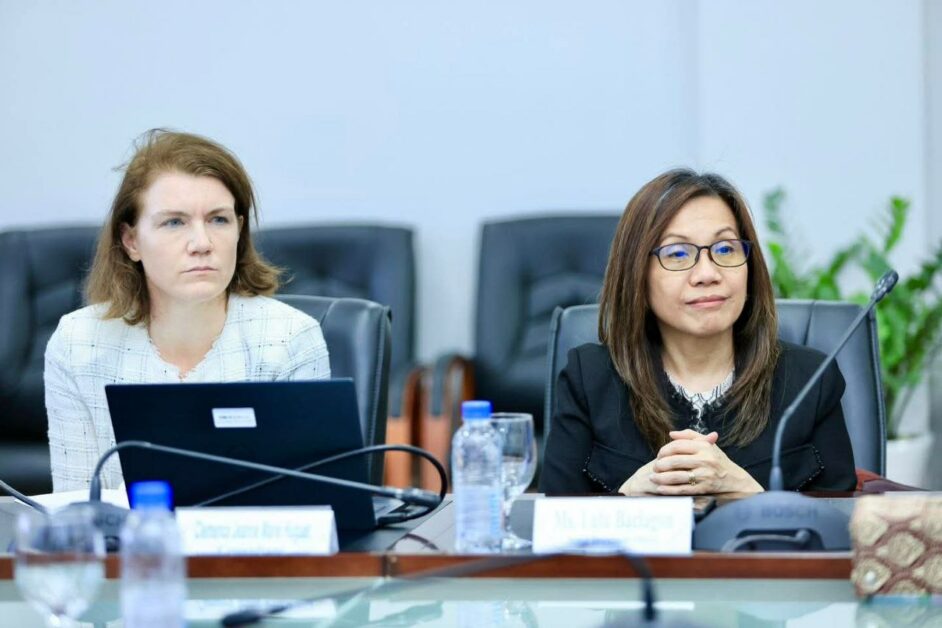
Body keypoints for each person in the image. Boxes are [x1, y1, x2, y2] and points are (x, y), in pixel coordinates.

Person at [45, 130, 330, 492]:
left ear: (240, 230)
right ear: (131, 241)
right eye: (174, 222)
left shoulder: (290, 338)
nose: (202, 243)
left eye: (219, 219)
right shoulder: (77, 343)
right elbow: (77, 508)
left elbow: (309, 503)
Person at [540, 169, 856, 496]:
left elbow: (840, 520)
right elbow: (548, 520)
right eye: (678, 254)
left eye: (725, 249)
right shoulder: (590, 380)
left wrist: (750, 495)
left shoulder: (809, 380)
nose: (707, 273)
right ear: (637, 274)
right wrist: (627, 500)